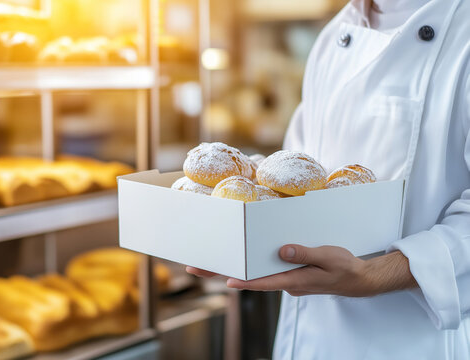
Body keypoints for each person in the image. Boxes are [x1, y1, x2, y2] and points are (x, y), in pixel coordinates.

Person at [187, 0, 470, 358]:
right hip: (309, 338)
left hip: (412, 342)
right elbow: (296, 182)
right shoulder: (335, 35)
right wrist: (248, 242)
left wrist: (375, 275)